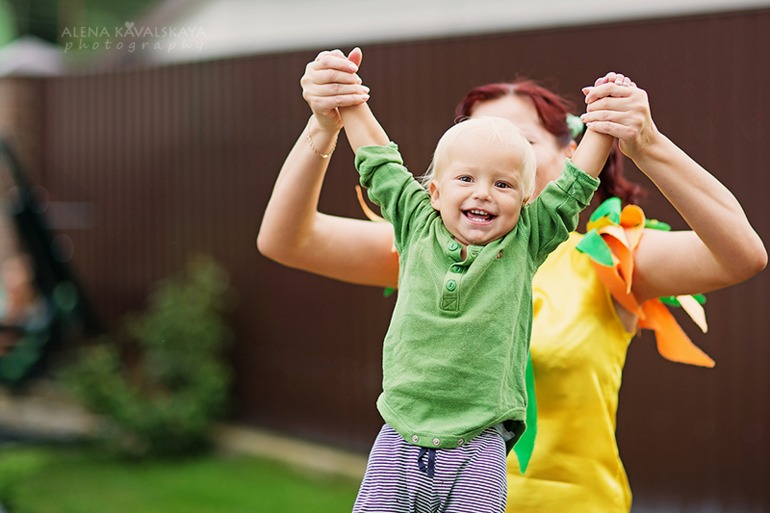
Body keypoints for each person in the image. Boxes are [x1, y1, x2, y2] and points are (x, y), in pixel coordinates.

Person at [257, 48, 767, 512]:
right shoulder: (426, 248)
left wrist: (646, 144)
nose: (488, 162)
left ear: (572, 155)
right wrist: (326, 122)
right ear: (437, 185)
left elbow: (741, 255)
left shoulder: (608, 257)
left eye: (515, 143)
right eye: (472, 149)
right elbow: (286, 239)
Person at [336, 63, 623, 511]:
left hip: (480, 445)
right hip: (399, 435)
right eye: (466, 179)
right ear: (433, 191)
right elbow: (379, 163)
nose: (483, 193)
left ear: (526, 201)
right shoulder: (415, 223)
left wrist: (604, 123)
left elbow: (573, 188)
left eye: (503, 184)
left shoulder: (527, 238)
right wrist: (350, 99)